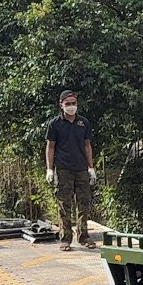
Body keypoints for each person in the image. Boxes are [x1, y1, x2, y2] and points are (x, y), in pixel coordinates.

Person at [45, 89, 98, 251]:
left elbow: (87, 145)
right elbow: (50, 147)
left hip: (81, 168)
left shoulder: (83, 123)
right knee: (64, 204)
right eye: (68, 104)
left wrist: (91, 167)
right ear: (61, 105)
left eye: (73, 104)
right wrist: (49, 169)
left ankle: (84, 237)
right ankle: (65, 239)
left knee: (83, 204)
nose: (71, 107)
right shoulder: (55, 124)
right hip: (63, 169)